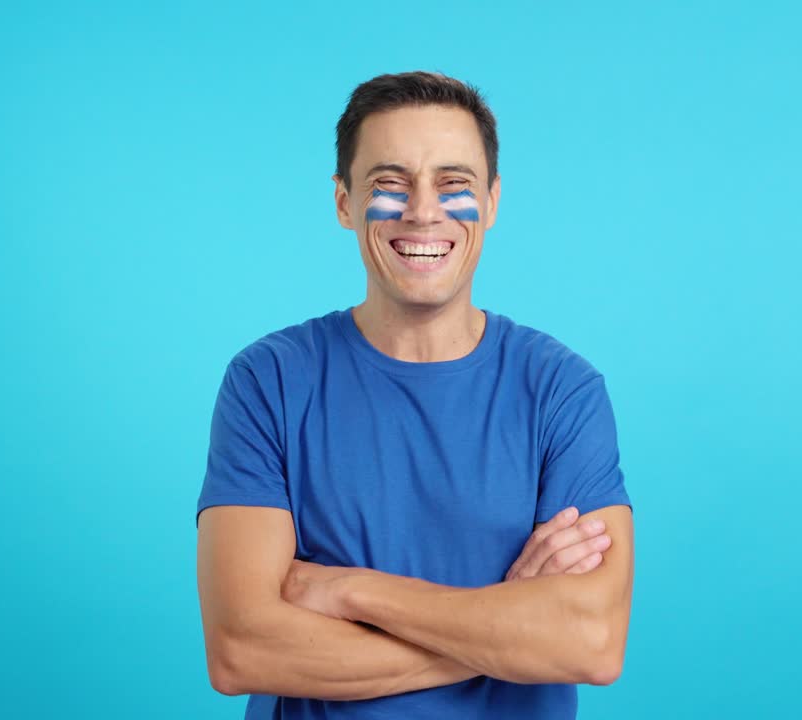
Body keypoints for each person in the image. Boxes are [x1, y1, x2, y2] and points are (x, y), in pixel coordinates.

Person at [194, 70, 635, 720]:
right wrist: (506, 630)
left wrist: (351, 592)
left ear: (492, 200)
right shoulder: (269, 382)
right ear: (344, 202)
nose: (422, 211)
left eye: (453, 184)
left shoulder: (561, 392)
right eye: (389, 183)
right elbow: (241, 650)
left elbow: (592, 644)